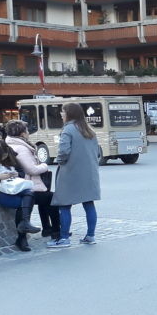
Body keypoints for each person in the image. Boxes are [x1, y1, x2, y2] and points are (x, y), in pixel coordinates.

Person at [49, 102, 101, 248]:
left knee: (64, 205)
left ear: (69, 114)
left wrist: (60, 162)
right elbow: (97, 152)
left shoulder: (68, 130)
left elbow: (64, 152)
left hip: (70, 173)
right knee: (89, 203)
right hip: (89, 173)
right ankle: (90, 235)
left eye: (63, 111)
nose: (61, 114)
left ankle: (64, 238)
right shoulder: (89, 129)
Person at [5, 119, 60, 240]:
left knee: (45, 198)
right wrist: (44, 165)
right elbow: (31, 170)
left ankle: (47, 228)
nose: (28, 132)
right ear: (22, 133)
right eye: (27, 130)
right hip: (28, 186)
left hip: (19, 185)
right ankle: (56, 231)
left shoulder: (10, 144)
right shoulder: (22, 148)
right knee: (52, 198)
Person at [0, 139, 42, 252]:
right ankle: (22, 237)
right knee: (23, 202)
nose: (3, 159)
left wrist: (16, 173)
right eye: (0, 158)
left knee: (29, 193)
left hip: (12, 185)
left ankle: (23, 230)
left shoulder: (8, 152)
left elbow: (21, 171)